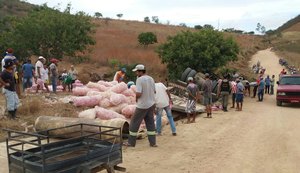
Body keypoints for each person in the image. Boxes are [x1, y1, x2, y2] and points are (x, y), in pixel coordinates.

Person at [126, 64, 157, 147]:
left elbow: (139, 93)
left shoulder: (139, 80)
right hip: (151, 104)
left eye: (137, 71)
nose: (136, 73)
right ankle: (153, 143)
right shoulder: (151, 78)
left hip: (142, 105)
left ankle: (131, 143)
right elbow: (154, 91)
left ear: (140, 71)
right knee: (150, 123)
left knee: (134, 123)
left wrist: (136, 98)